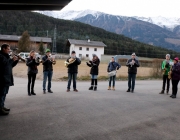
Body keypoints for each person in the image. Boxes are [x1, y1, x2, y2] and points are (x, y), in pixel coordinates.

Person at [0, 43, 19, 115]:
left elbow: (10, 65)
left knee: (4, 93)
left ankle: (2, 106)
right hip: (2, 78)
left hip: (7, 77)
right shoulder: (1, 56)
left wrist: (16, 60)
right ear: (3, 49)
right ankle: (0, 108)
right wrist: (11, 60)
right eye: (8, 49)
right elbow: (5, 64)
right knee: (1, 94)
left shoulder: (7, 56)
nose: (9, 50)